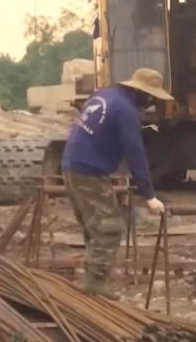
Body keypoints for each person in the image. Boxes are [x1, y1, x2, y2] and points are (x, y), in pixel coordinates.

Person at [62, 68, 173, 298]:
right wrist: (149, 195)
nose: (150, 104)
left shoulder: (104, 95)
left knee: (94, 226)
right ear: (143, 94)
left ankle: (92, 282)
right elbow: (135, 152)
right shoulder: (126, 110)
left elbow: (104, 138)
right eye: (151, 99)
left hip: (71, 164)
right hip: (88, 170)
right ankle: (94, 284)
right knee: (109, 228)